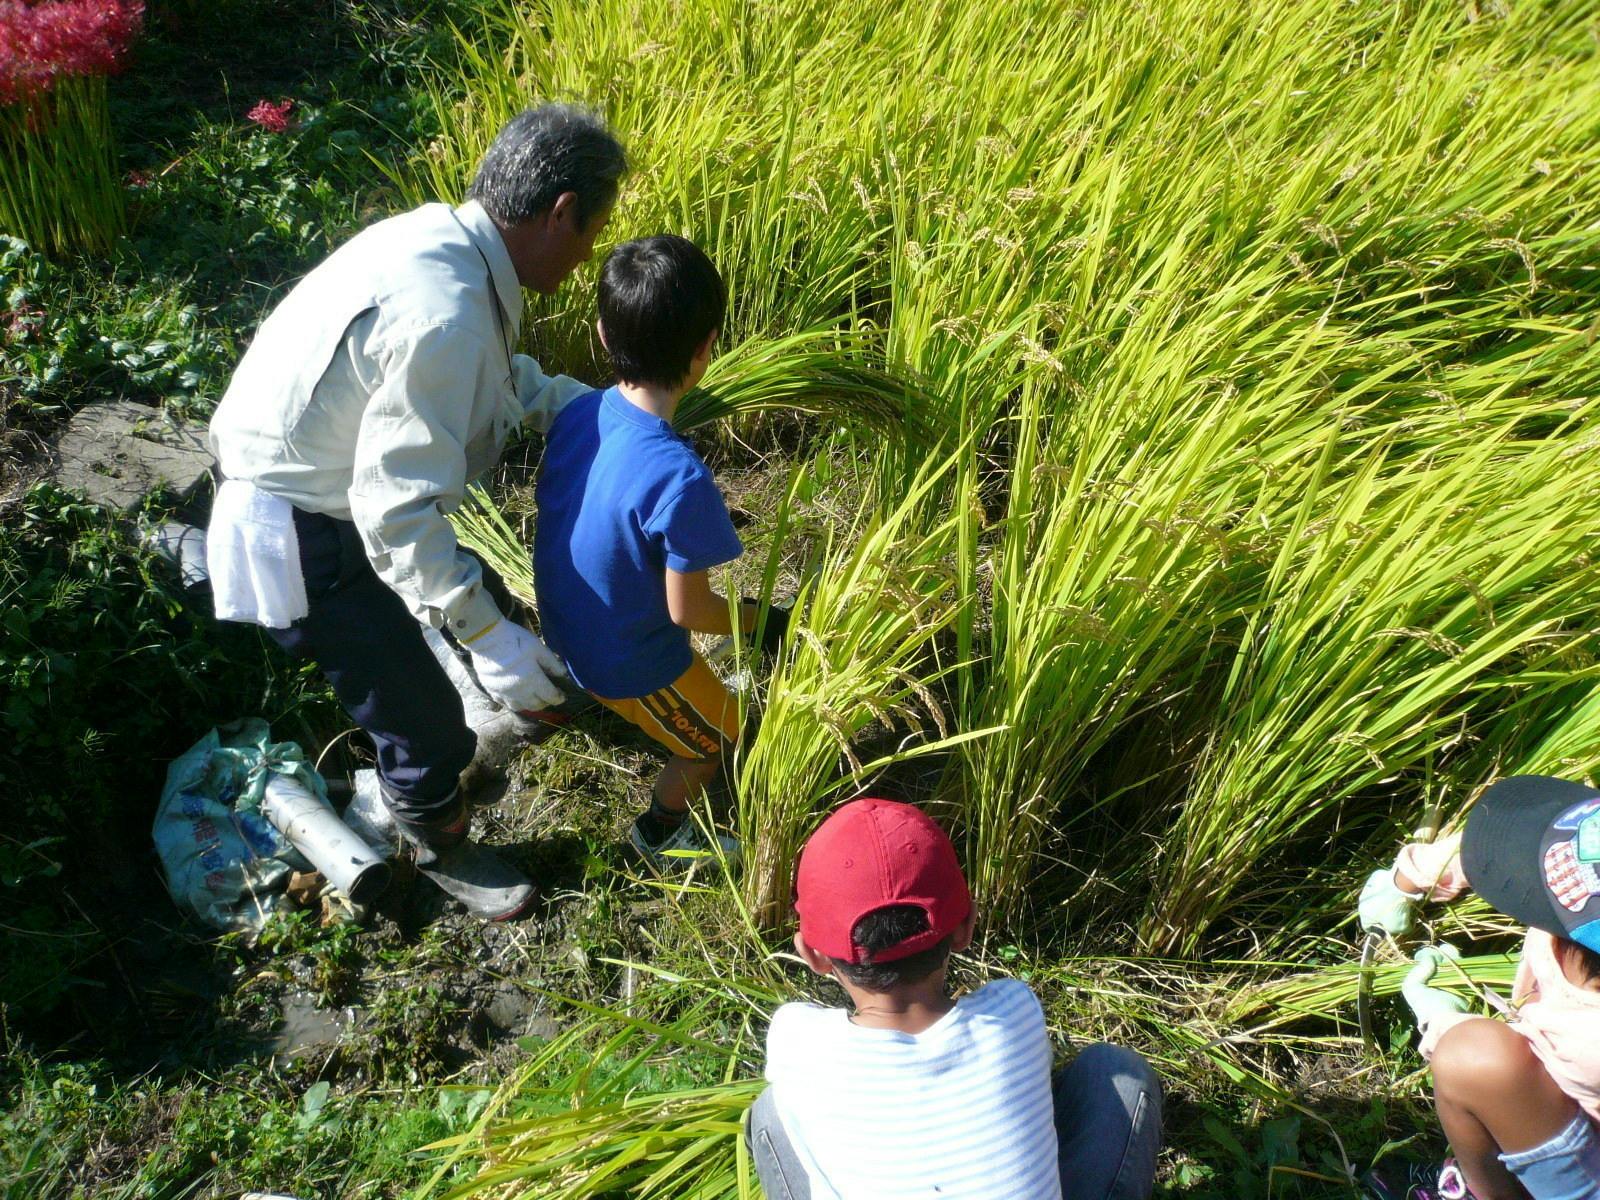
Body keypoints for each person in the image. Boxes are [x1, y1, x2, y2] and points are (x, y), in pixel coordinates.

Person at [205, 104, 627, 921]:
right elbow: (394, 513)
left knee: (484, 621)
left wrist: (593, 412)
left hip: (330, 482)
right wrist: (486, 637)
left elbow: (490, 382)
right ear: (560, 212)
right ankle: (435, 833)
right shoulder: (448, 313)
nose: (587, 257)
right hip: (301, 523)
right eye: (591, 232)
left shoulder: (447, 245)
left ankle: (460, 703)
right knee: (424, 718)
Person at [749, 797, 1164, 1200]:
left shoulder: (796, 1040)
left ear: (813, 954)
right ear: (966, 926)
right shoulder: (1015, 1010)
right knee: (1116, 1067)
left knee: (769, 1111)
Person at [532, 234, 782, 868]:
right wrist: (759, 621)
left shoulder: (580, 413)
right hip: (625, 661)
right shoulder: (680, 478)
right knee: (721, 736)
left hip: (565, 624)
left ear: (601, 335)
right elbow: (690, 613)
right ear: (704, 350)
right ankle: (661, 830)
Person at [1359, 775, 1600, 1200]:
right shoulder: (1582, 922)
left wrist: (1440, 1022)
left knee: (1473, 1060)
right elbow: (1538, 850)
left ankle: (1491, 1192)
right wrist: (1413, 876)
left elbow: (1520, 1075)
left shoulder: (1589, 1038)